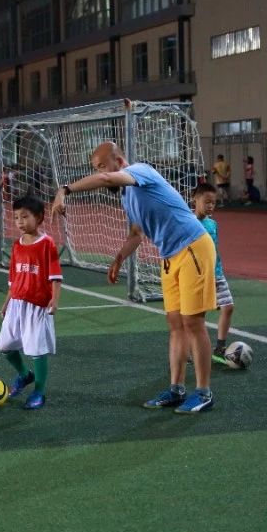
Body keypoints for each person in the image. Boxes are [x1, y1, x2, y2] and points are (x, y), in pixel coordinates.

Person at [53, 141, 216, 413]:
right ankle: (176, 389)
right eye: (96, 168)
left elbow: (105, 179)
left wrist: (65, 190)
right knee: (175, 324)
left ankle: (204, 392)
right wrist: (118, 258)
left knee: (193, 323)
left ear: (119, 161)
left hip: (193, 247)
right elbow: (136, 234)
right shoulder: (127, 196)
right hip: (170, 256)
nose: (101, 173)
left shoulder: (141, 171)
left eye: (102, 166)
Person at [0, 195, 62, 410]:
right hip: (16, 303)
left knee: (36, 350)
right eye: (16, 218)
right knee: (5, 346)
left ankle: (39, 391)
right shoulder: (16, 246)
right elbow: (13, 278)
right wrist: (6, 302)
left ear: (39, 217)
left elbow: (55, 276)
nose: (20, 222)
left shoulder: (47, 244)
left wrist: (55, 300)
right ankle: (25, 375)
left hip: (37, 305)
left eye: (25, 217)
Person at [192, 183, 235, 363]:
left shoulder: (213, 224)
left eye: (214, 203)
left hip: (216, 274)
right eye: (207, 201)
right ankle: (189, 350)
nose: (211, 206)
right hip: (197, 277)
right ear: (195, 199)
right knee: (194, 316)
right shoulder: (188, 222)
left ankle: (220, 347)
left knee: (228, 307)